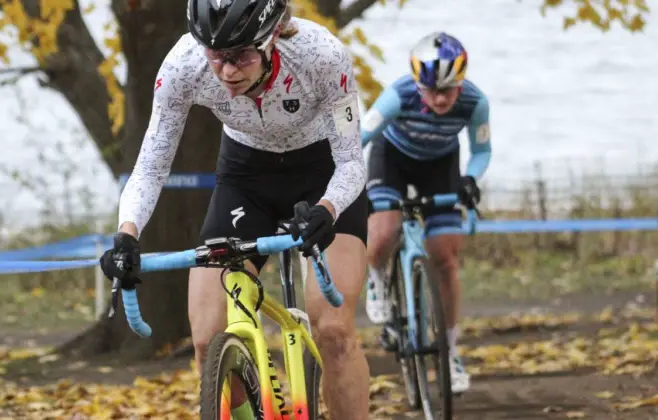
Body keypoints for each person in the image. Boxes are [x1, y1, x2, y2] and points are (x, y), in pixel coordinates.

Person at [99, 0, 371, 418]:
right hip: (246, 179)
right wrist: (126, 234)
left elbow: (352, 162)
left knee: (333, 329)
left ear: (272, 36)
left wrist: (327, 209)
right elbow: (151, 164)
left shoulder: (321, 55)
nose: (226, 70)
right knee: (208, 341)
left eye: (241, 55)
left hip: (324, 174)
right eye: (216, 56)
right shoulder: (183, 65)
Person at [361, 31, 492, 395]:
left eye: (448, 91)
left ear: (461, 83)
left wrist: (470, 179)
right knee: (384, 231)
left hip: (440, 165)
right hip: (392, 161)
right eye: (430, 90)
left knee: (445, 257)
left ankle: (449, 352)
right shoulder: (398, 95)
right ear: (417, 83)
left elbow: (481, 149)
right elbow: (361, 136)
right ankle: (377, 277)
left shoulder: (475, 102)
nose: (438, 99)